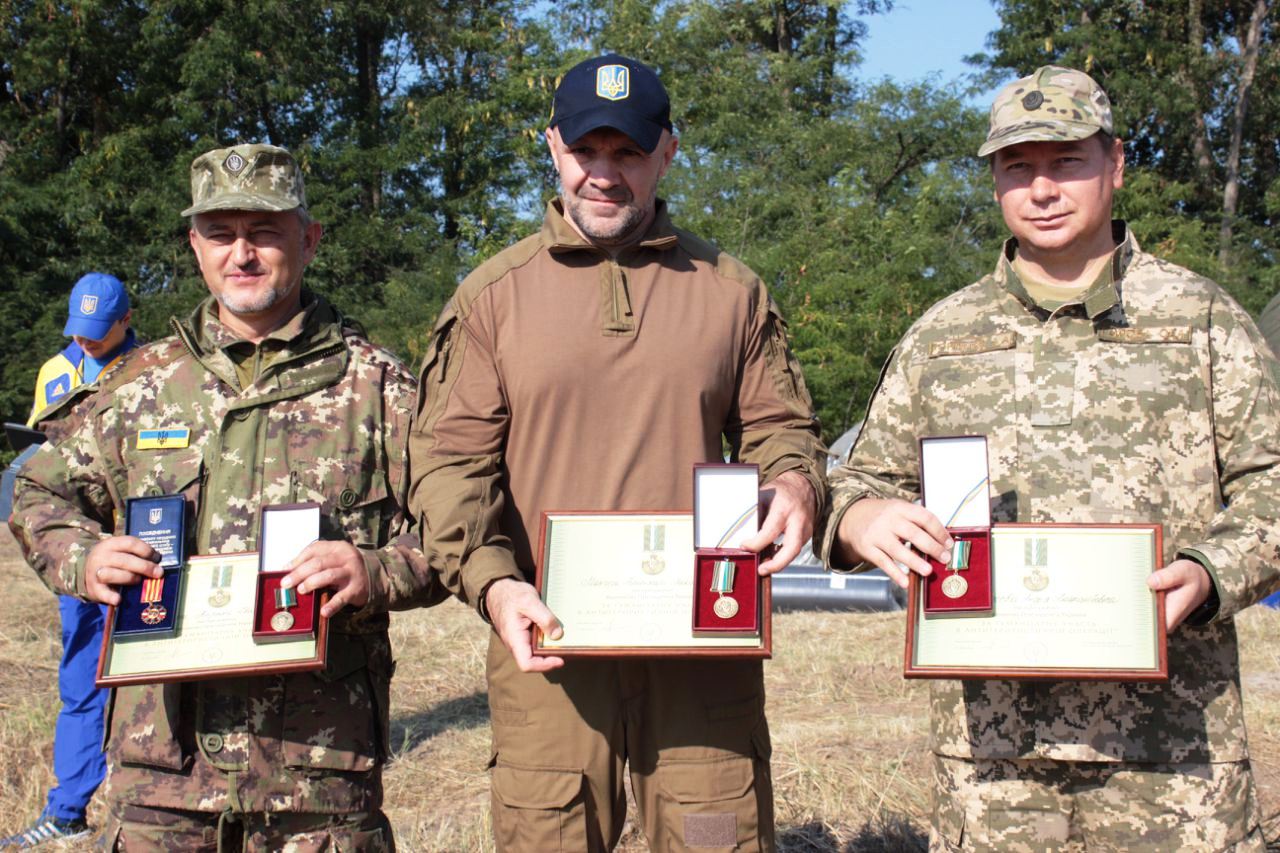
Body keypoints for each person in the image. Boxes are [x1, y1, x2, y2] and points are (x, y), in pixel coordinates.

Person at [818, 65, 1280, 850]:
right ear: (994, 178)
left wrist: (1209, 569)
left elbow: (1272, 483)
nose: (1041, 188)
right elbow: (853, 480)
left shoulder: (1202, 321)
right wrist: (864, 519)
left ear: (1116, 163)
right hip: (996, 763)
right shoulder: (942, 336)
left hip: (1173, 756)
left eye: (1066, 161)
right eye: (1016, 166)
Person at [409, 54, 824, 852]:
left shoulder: (730, 291)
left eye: (627, 152)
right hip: (548, 644)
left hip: (705, 640)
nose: (604, 174)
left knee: (717, 836)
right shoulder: (492, 300)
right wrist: (495, 586)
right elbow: (449, 467)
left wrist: (796, 486)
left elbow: (782, 430)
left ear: (667, 152)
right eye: (586, 150)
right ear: (553, 146)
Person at [10, 143, 444, 851]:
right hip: (159, 784)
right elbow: (37, 488)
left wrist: (375, 570)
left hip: (317, 783)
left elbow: (457, 530)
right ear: (194, 245)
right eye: (220, 233)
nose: (241, 253)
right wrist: (84, 558)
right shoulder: (139, 385)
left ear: (308, 238)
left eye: (264, 230)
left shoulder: (378, 390)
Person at [2, 274, 139, 849]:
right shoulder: (55, 373)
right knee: (81, 679)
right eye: (78, 333)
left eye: (98, 334)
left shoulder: (152, 370)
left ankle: (143, 805)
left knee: (148, 683)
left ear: (126, 321)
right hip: (79, 556)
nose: (85, 344)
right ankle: (68, 810)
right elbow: (41, 455)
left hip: (140, 552)